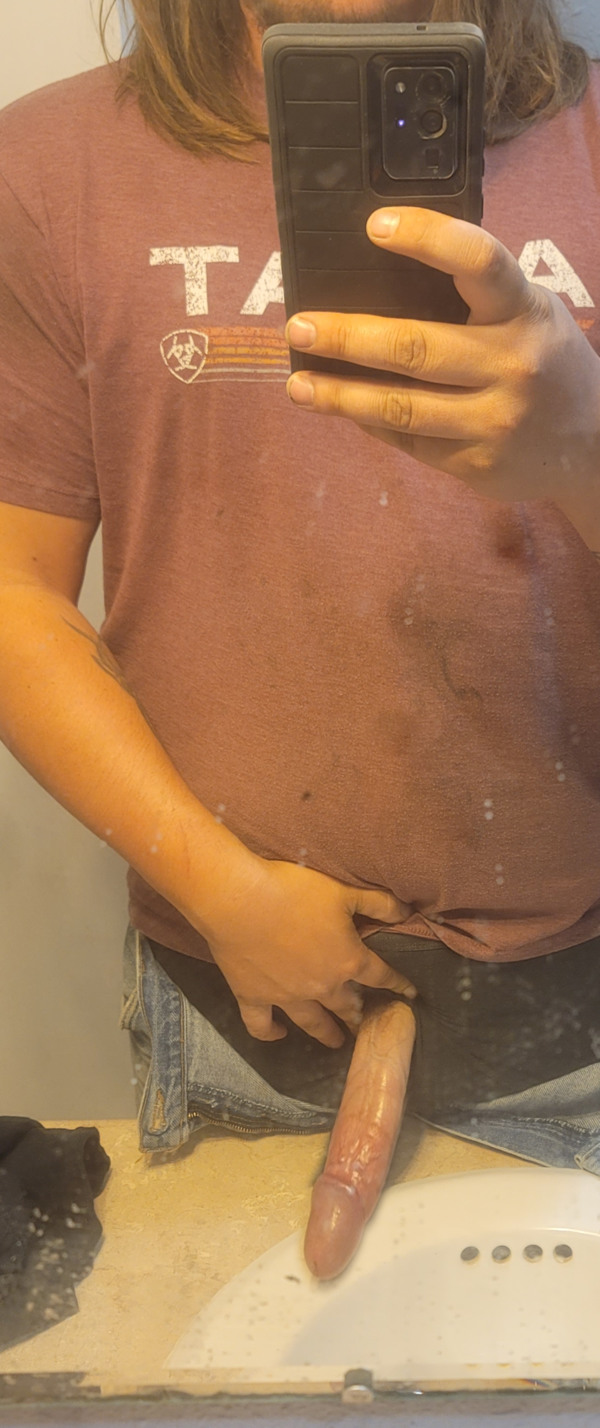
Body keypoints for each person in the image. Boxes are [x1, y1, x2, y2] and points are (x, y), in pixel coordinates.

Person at [1, 0, 600, 1265]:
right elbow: (14, 591)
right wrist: (221, 892)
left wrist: (586, 453)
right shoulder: (47, 170)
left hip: (581, 1007)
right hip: (248, 1000)